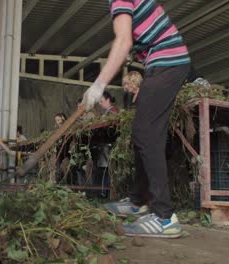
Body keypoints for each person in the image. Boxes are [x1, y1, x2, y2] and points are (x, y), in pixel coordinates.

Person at [82, 0, 190, 238]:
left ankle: (164, 217)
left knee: (146, 133)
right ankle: (138, 200)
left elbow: (123, 42)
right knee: (145, 133)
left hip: (168, 62)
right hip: (162, 63)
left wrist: (98, 85)